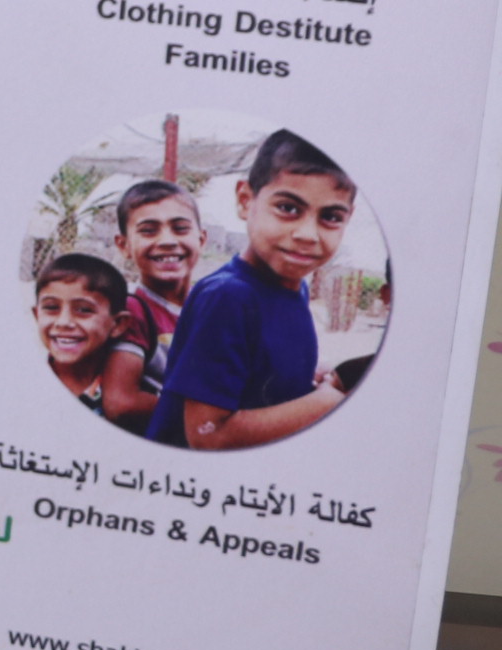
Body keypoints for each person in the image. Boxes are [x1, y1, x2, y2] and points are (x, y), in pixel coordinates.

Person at [147, 132, 359, 450]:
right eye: (288, 208)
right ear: (246, 200)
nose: (307, 234)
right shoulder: (228, 298)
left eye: (330, 217)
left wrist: (311, 379)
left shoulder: (294, 290)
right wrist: (329, 401)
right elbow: (208, 436)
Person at [107, 179, 206, 432]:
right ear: (124, 245)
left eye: (180, 228)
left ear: (202, 239)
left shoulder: (214, 307)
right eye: (149, 230)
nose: (167, 240)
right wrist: (210, 412)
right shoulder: (132, 311)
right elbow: (120, 403)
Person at [33, 255, 146, 434]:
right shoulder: (27, 385)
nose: (63, 322)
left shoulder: (130, 395)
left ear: (117, 324)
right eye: (51, 308)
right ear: (36, 315)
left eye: (84, 310)